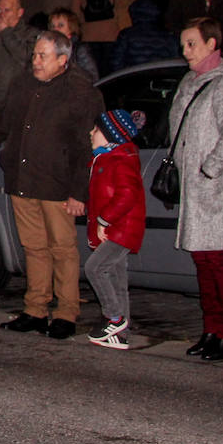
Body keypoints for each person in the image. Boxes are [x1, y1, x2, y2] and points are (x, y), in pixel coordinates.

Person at [0, 31, 103, 340]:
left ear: (63, 60)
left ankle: (66, 313)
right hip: (23, 179)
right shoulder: (23, 84)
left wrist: (79, 192)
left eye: (43, 56)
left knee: (62, 250)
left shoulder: (79, 91)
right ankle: (35, 309)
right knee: (33, 247)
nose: (36, 61)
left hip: (57, 185)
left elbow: (86, 148)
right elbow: (0, 121)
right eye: (35, 55)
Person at [170, 17, 223, 362]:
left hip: (217, 191)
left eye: (192, 43)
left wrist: (209, 169)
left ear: (212, 44)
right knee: (203, 263)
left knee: (219, 263)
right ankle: (211, 329)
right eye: (183, 44)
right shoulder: (190, 81)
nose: (185, 51)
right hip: (195, 190)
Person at [84, 108, 147, 350]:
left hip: (121, 229)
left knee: (95, 268)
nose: (91, 133)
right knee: (117, 278)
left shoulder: (121, 160)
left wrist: (104, 220)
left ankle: (114, 317)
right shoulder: (104, 158)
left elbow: (127, 194)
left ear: (111, 135)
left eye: (96, 129)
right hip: (115, 228)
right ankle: (120, 333)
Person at [0, 0, 39, 111]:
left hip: (16, 100)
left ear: (19, 12)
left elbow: (26, 56)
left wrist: (6, 33)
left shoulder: (30, 34)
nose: (2, 14)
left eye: (7, 10)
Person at [111, 0, 180, 72]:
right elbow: (175, 61)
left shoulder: (126, 35)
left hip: (133, 76)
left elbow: (116, 63)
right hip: (160, 76)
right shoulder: (167, 36)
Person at [48, 8, 99, 81]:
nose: (55, 29)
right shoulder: (49, 50)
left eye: (60, 25)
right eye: (53, 26)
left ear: (71, 28)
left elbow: (93, 77)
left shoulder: (79, 49)